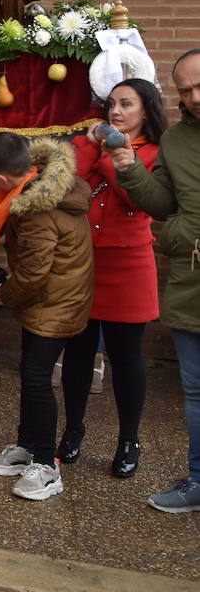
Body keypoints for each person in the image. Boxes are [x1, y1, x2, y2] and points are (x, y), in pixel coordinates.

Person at [58, 80, 167, 479]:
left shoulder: (156, 153)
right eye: (112, 104)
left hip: (129, 265)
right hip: (83, 262)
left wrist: (111, 156)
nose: (116, 112)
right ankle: (72, 431)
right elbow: (68, 185)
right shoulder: (88, 144)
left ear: (146, 110)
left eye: (126, 104)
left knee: (126, 358)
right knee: (78, 352)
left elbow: (139, 199)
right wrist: (89, 148)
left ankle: (129, 439)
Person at [0, 132, 93, 501]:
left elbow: (32, 273)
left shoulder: (37, 209)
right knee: (31, 372)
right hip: (52, 298)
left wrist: (3, 293)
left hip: (55, 302)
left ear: (0, 178)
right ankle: (26, 447)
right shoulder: (43, 183)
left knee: (37, 379)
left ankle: (46, 466)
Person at [111, 49, 200, 513]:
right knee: (196, 391)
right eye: (185, 90)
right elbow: (161, 205)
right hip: (191, 280)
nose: (195, 96)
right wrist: (129, 169)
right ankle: (198, 480)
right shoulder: (179, 141)